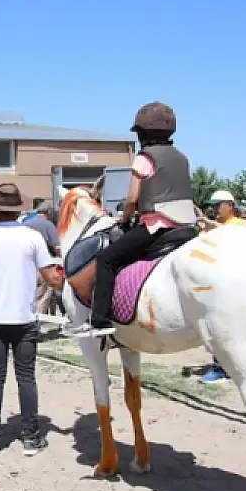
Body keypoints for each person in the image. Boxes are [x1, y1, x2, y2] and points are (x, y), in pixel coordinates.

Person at [69, 101, 197, 336]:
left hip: (156, 227)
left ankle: (100, 321)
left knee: (107, 259)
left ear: (143, 134)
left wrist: (123, 218)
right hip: (188, 227)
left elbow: (132, 198)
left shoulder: (144, 158)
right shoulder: (182, 158)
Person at [0, 183, 64, 456]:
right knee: (26, 378)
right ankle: (32, 438)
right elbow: (51, 279)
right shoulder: (32, 238)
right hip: (24, 318)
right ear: (18, 208)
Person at [192, 190, 246, 384]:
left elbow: (232, 234)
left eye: (218, 205)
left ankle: (222, 367)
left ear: (230, 206)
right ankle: (222, 365)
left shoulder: (239, 224)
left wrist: (209, 224)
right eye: (213, 206)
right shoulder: (216, 226)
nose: (215, 209)